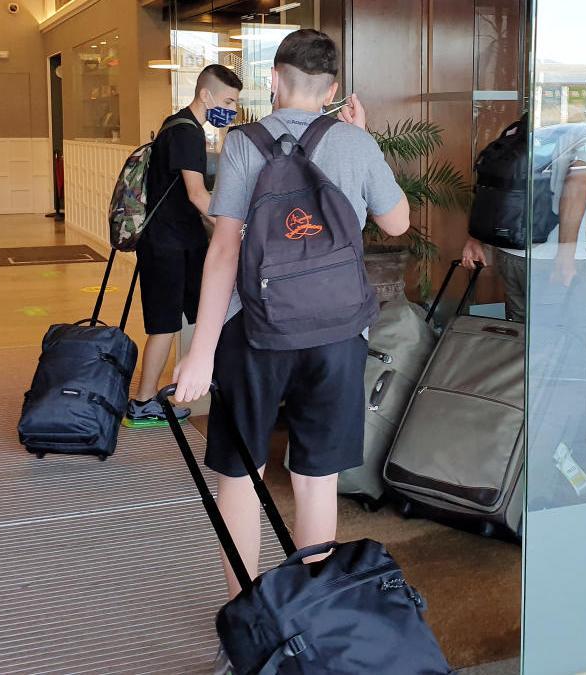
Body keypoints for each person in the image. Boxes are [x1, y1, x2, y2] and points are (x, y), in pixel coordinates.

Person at [167, 29, 409, 672]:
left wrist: (201, 352)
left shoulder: (243, 144)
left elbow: (223, 250)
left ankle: (246, 620)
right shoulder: (355, 142)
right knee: (316, 476)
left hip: (256, 336)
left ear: (273, 80)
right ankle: (308, 618)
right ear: (332, 92)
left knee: (241, 474)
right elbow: (398, 223)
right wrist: (364, 138)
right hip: (337, 338)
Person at [126, 64, 242, 425]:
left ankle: (207, 382)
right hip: (167, 245)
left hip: (181, 243)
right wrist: (234, 227)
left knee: (211, 312)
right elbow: (197, 195)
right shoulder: (187, 134)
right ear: (205, 95)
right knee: (165, 325)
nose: (233, 109)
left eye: (236, 103)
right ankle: (143, 402)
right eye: (228, 100)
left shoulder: (177, 125)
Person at [460, 126, 586, 317]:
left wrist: (474, 238)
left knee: (521, 334)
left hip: (508, 252)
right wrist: (566, 255)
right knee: (567, 333)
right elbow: (576, 185)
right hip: (552, 258)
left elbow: (491, 185)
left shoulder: (518, 128)